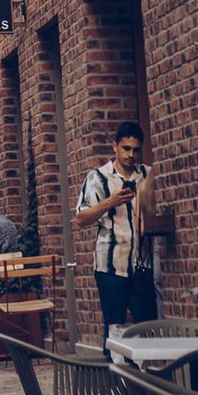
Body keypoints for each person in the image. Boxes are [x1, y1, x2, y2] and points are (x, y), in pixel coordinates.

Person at [75, 119, 157, 350]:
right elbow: (81, 218)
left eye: (136, 150)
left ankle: (143, 379)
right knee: (114, 327)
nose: (131, 155)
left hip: (142, 264)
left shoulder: (148, 175)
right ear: (115, 146)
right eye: (126, 148)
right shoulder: (98, 177)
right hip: (110, 266)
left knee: (147, 327)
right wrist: (110, 202)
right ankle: (114, 380)